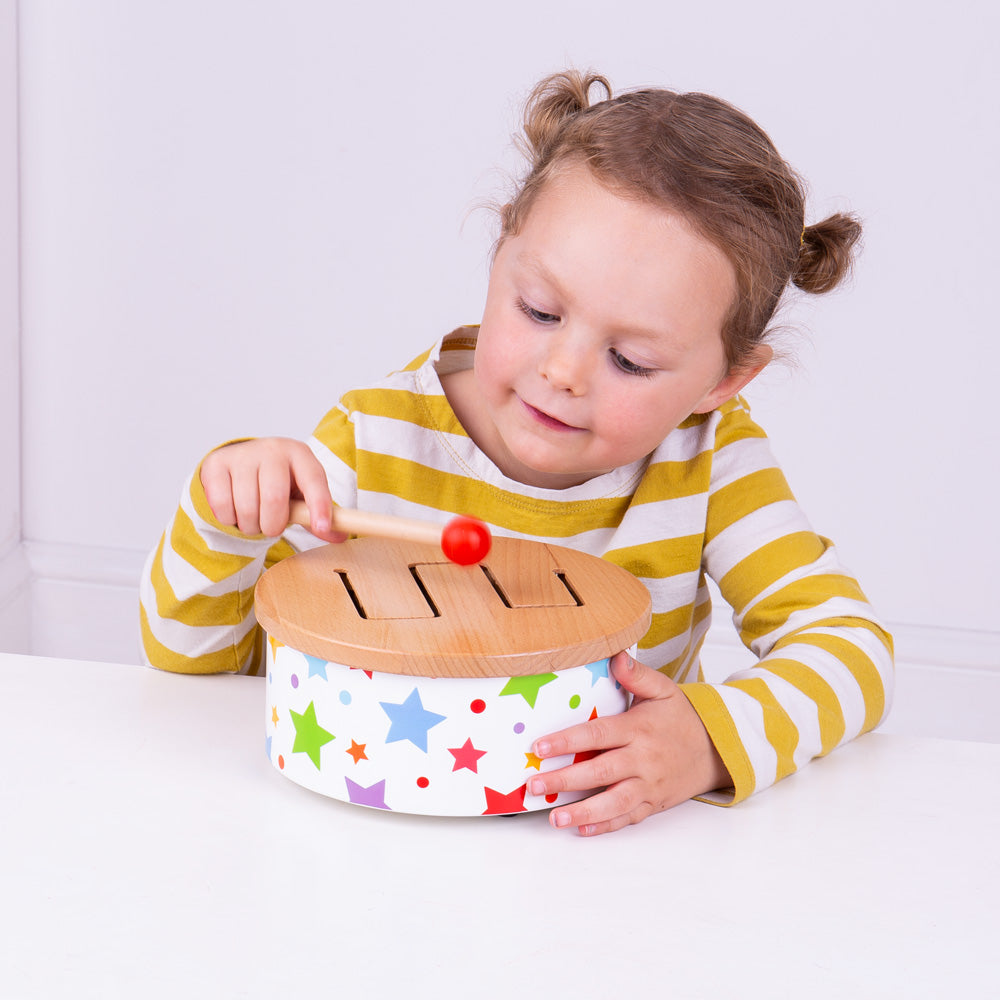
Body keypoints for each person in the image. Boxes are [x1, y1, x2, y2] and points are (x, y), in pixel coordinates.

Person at [140, 70, 893, 836]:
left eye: (629, 360)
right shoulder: (376, 439)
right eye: (538, 311)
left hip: (615, 868)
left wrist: (705, 741)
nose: (562, 372)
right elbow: (197, 671)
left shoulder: (712, 462)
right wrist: (222, 516)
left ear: (725, 379)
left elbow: (852, 650)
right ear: (501, 249)